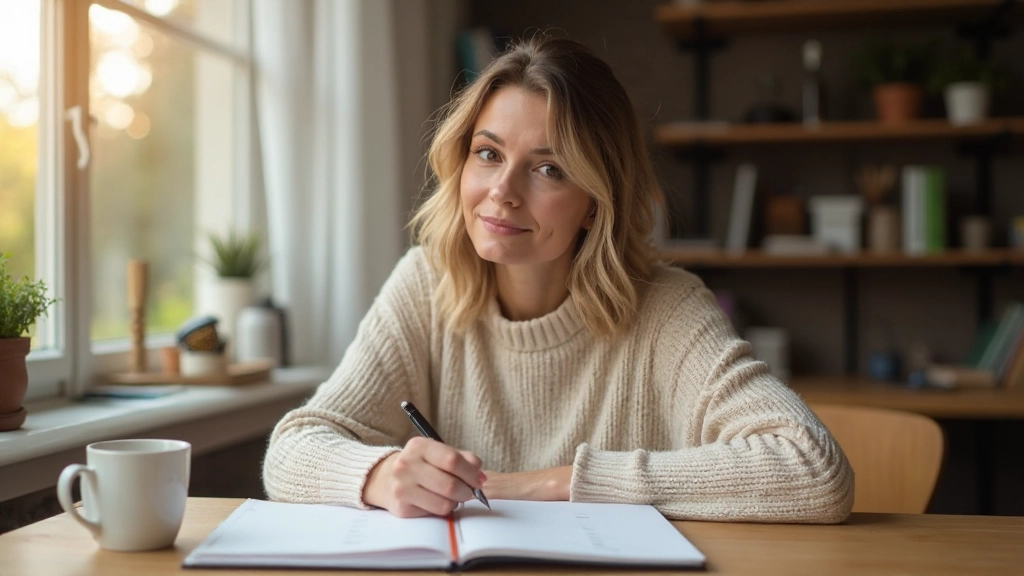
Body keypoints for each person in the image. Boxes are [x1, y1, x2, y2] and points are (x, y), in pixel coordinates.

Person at [263, 36, 854, 523]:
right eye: (488, 154)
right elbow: (292, 450)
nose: (502, 192)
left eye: (548, 168)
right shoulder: (425, 283)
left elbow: (813, 469)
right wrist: (379, 474)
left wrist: (556, 483)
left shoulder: (667, 308)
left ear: (596, 201)